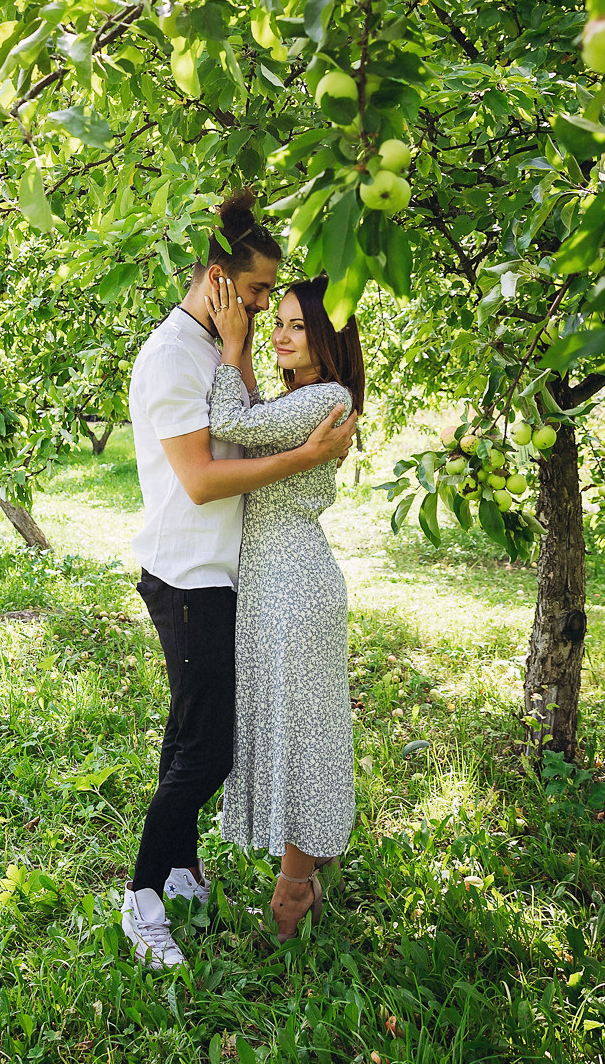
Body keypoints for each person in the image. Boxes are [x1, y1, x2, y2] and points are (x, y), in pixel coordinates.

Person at [118, 191, 357, 970]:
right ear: (220, 279)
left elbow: (245, 428)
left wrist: (239, 351)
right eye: (258, 292)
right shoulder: (173, 356)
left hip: (228, 578)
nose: (262, 307)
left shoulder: (219, 349)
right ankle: (141, 897)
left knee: (189, 736)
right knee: (208, 751)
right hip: (188, 576)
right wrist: (304, 458)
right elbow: (201, 479)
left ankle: (179, 872)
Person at [206, 273, 366, 940]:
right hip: (278, 583)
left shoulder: (326, 397)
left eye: (298, 326)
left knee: (301, 737)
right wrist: (245, 350)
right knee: (292, 729)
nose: (280, 334)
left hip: (294, 588)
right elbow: (251, 421)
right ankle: (304, 875)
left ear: (330, 338)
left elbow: (230, 423)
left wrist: (230, 344)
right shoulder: (303, 399)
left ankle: (292, 894)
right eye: (280, 321)